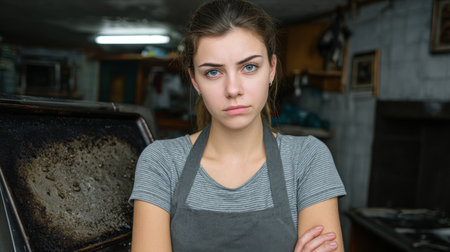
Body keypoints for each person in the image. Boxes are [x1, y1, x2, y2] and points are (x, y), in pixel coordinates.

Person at [129, 0, 346, 251]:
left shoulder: (308, 160)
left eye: (249, 67)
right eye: (213, 72)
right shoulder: (161, 162)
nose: (233, 89)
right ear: (195, 80)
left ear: (272, 69)